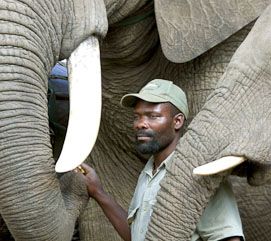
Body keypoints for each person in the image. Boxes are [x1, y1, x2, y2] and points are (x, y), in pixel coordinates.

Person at [79, 79, 245, 241]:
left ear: (177, 121)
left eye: (153, 116)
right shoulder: (148, 173)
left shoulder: (200, 175)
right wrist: (98, 192)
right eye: (137, 117)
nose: (140, 124)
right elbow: (137, 235)